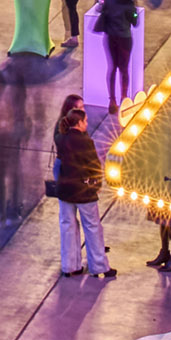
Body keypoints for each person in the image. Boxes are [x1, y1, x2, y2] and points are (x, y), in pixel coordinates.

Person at [51, 97, 111, 277]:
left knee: (67, 226)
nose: (87, 123)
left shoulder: (62, 138)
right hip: (84, 193)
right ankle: (99, 266)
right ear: (78, 123)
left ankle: (70, 266)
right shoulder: (86, 142)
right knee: (92, 228)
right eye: (85, 120)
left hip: (65, 191)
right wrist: (97, 185)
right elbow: (94, 166)